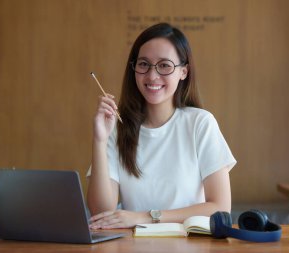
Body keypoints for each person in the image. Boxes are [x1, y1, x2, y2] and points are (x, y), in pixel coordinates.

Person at [87, 23, 236, 229]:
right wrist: (100, 140)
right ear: (134, 69)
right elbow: (101, 212)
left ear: (183, 71)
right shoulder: (117, 127)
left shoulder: (200, 123)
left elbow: (220, 208)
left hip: (191, 244)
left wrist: (145, 217)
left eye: (164, 65)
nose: (152, 76)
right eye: (144, 64)